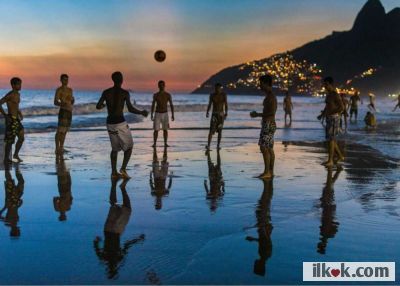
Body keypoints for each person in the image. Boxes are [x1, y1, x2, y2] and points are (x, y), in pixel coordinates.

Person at [96, 72, 148, 179]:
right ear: (122, 79)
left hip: (110, 122)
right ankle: (123, 169)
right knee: (129, 147)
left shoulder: (106, 92)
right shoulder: (124, 93)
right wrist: (142, 112)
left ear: (113, 80)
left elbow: (98, 106)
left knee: (114, 149)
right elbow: (130, 109)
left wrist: (104, 105)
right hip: (120, 122)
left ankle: (114, 172)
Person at [94, 177, 145, 279]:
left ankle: (122, 188)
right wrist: (97, 240)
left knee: (128, 208)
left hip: (117, 230)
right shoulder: (103, 258)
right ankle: (113, 184)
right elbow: (95, 244)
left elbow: (127, 244)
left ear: (115, 269)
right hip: (107, 229)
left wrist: (139, 239)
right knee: (113, 205)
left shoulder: (118, 259)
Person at [250, 75, 277, 179]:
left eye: (261, 84)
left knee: (264, 147)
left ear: (266, 84)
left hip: (268, 124)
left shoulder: (271, 97)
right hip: (270, 124)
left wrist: (257, 115)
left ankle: (267, 172)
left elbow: (272, 112)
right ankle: (270, 172)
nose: (259, 86)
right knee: (269, 148)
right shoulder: (270, 96)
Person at [246, 179, 273, 276]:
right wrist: (262, 227)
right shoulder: (264, 254)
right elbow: (265, 239)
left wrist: (253, 239)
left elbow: (264, 240)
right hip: (264, 227)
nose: (254, 263)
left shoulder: (266, 255)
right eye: (255, 266)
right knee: (262, 207)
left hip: (265, 227)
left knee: (263, 206)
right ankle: (268, 187)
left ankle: (268, 187)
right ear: (260, 266)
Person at [318, 77, 344, 167]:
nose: (324, 86)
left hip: (334, 119)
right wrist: (322, 115)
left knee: (331, 140)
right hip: (329, 118)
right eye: (324, 84)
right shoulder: (329, 94)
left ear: (330, 84)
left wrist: (330, 112)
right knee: (330, 139)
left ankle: (330, 160)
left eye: (326, 84)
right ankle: (340, 156)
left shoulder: (335, 94)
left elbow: (342, 107)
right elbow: (327, 106)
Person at [317, 166, 341, 254]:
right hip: (329, 209)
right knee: (328, 187)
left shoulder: (327, 234)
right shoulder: (328, 234)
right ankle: (337, 171)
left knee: (328, 187)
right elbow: (336, 223)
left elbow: (336, 224)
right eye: (320, 244)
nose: (320, 242)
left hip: (328, 210)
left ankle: (336, 172)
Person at [0, 77, 24, 164]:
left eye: (20, 84)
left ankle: (16, 154)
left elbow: (16, 106)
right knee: (10, 141)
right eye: (18, 84)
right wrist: (5, 116)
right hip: (11, 119)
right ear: (13, 85)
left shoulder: (18, 94)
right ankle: (6, 159)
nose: (20, 85)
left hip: (16, 119)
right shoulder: (10, 94)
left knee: (21, 137)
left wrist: (20, 113)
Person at [0, 167, 24, 237]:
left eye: (18, 231)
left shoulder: (8, 223)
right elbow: (15, 211)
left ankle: (6, 167)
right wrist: (19, 205)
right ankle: (17, 169)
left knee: (9, 180)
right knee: (21, 182)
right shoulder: (16, 222)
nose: (19, 230)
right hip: (16, 201)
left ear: (14, 231)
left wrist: (5, 207)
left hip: (10, 199)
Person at [54, 74, 74, 154]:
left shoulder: (70, 90)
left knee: (65, 131)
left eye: (67, 79)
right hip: (63, 111)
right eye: (64, 79)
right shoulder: (59, 90)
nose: (66, 81)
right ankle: (57, 148)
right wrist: (62, 104)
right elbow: (55, 102)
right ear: (61, 80)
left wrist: (72, 100)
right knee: (59, 131)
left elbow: (71, 102)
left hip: (69, 111)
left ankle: (61, 147)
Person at [151, 81, 174, 147]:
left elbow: (171, 105)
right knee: (156, 130)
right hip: (157, 113)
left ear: (164, 85)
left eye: (162, 85)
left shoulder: (168, 95)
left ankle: (165, 143)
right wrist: (152, 114)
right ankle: (154, 143)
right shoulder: (155, 95)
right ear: (158, 86)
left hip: (165, 113)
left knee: (165, 129)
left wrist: (173, 115)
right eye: (160, 85)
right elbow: (153, 105)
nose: (161, 86)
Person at [206, 83, 228, 151]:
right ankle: (208, 146)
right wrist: (207, 112)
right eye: (216, 88)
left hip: (221, 115)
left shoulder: (224, 95)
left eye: (218, 88)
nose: (217, 90)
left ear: (220, 88)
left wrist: (226, 113)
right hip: (214, 115)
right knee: (211, 131)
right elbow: (209, 104)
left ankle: (218, 146)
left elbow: (226, 104)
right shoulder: (212, 95)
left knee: (220, 131)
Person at [53, 155, 73, 221]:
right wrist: (62, 199)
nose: (63, 215)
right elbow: (71, 199)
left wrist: (62, 199)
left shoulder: (58, 209)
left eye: (63, 216)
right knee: (65, 172)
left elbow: (54, 198)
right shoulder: (67, 208)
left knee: (62, 173)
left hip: (64, 189)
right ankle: (60, 156)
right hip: (67, 189)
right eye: (64, 216)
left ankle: (59, 156)